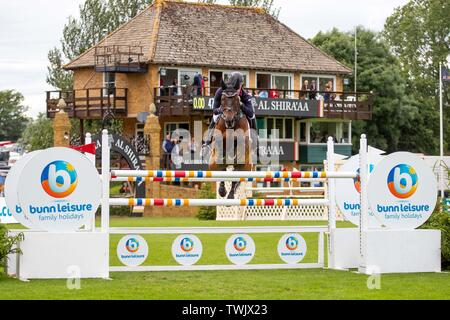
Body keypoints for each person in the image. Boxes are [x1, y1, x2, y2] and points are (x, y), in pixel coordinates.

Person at [203, 72, 258, 146]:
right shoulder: (220, 91)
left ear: (241, 85)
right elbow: (215, 110)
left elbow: (251, 113)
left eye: (239, 86)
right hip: (224, 109)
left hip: (239, 111)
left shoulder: (245, 95)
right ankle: (208, 140)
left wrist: (241, 105)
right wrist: (220, 109)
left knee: (252, 116)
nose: (237, 89)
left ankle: (255, 139)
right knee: (215, 117)